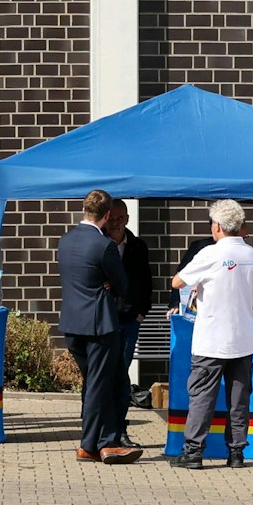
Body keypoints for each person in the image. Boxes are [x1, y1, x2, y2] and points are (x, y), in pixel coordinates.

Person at [168, 199, 253, 469]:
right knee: (239, 399)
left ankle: (193, 452)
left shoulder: (210, 253)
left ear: (217, 226)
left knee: (202, 397)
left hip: (211, 338)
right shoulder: (249, 254)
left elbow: (177, 281)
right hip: (242, 338)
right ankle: (236, 453)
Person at [57, 189, 140, 464]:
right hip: (99, 325)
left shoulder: (65, 240)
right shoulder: (104, 245)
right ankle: (93, 444)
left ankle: (102, 442)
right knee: (98, 385)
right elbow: (123, 286)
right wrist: (107, 283)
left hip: (71, 323)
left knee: (95, 383)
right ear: (106, 215)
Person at [102, 198, 153, 444]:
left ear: (127, 220)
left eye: (120, 218)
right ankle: (97, 430)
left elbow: (147, 283)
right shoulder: (97, 243)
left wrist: (140, 313)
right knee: (100, 376)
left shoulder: (137, 246)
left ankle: (119, 430)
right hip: (100, 321)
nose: (115, 223)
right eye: (111, 218)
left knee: (121, 377)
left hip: (128, 321)